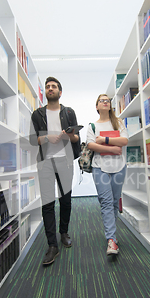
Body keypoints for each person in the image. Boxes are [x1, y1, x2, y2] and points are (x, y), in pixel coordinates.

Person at [29, 77, 81, 265]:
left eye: (54, 86)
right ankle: (52, 245)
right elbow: (32, 140)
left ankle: (64, 232)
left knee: (66, 200)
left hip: (65, 161)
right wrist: (46, 138)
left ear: (60, 92)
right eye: (48, 87)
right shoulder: (37, 114)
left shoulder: (68, 112)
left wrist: (68, 136)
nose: (51, 89)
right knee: (47, 203)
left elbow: (76, 139)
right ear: (45, 92)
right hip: (45, 163)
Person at [86, 94, 129, 255]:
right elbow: (91, 145)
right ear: (97, 106)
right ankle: (111, 240)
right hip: (99, 167)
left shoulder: (118, 123)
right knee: (105, 202)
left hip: (119, 167)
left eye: (107, 100)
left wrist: (102, 140)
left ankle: (113, 237)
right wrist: (112, 148)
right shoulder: (92, 126)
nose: (105, 102)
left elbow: (124, 141)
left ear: (110, 105)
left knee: (114, 203)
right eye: (101, 100)